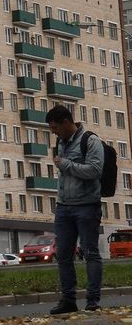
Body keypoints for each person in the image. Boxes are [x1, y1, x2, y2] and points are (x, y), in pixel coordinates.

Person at [46, 104, 104, 313]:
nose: (53, 132)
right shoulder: (60, 142)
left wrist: (67, 164)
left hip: (87, 206)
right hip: (63, 207)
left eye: (55, 128)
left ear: (67, 122)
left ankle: (92, 300)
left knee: (90, 253)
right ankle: (68, 300)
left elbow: (95, 170)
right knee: (63, 255)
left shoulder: (90, 141)